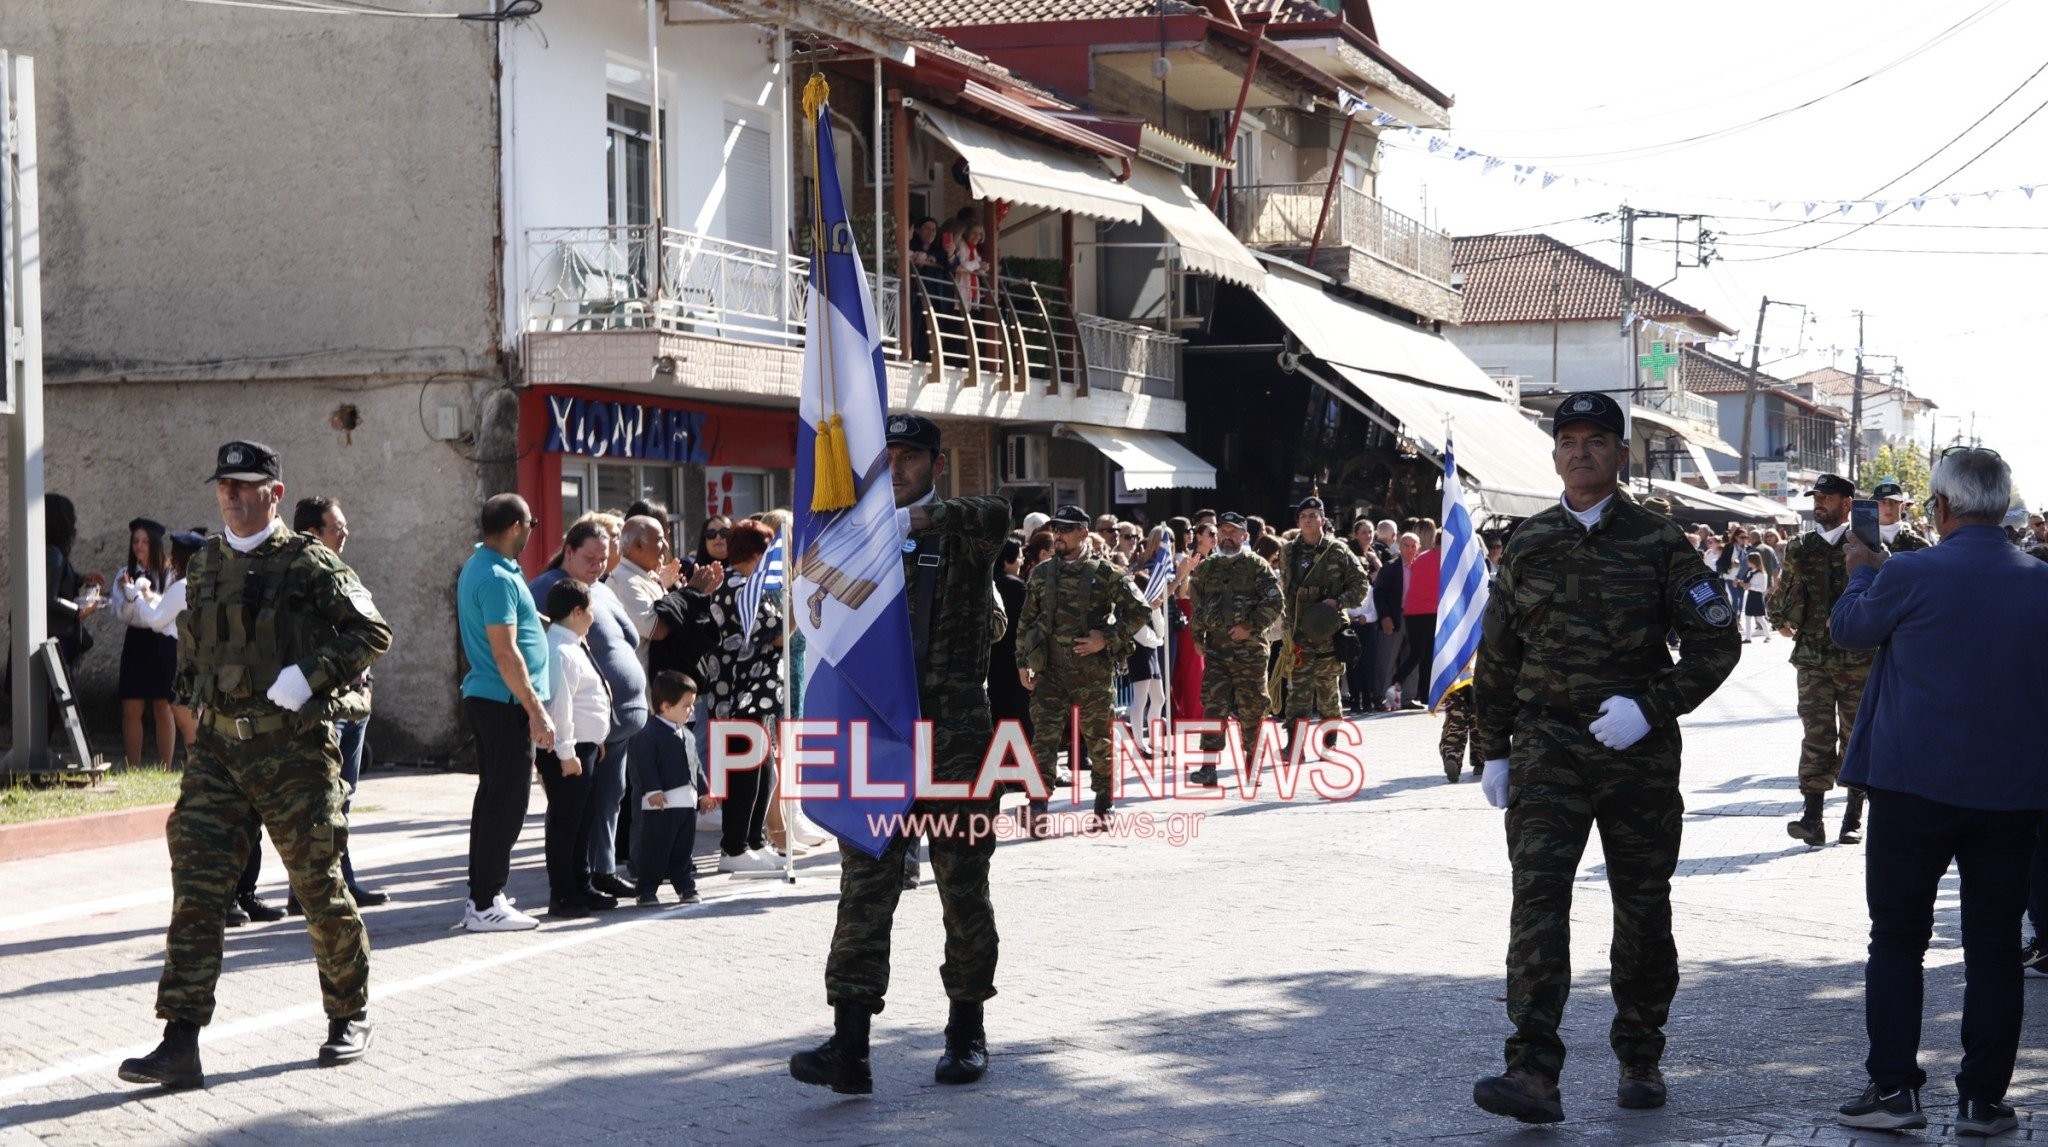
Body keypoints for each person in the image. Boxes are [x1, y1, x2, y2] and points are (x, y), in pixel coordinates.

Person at [1470, 393, 1740, 1124]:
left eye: (1597, 440)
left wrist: (1651, 706)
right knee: (1537, 902)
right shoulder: (1527, 543)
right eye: (1569, 439)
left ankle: (1641, 1053)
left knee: (1643, 904)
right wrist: (1492, 749)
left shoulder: (1661, 542)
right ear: (1554, 452)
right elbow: (1496, 656)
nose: (1581, 451)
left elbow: (1717, 643)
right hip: (1548, 747)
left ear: (1621, 454)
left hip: (1636, 753)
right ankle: (1530, 1069)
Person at [118, 442, 392, 1089]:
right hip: (218, 751)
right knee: (198, 891)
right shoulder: (207, 562)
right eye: (224, 487)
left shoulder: (307, 562)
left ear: (275, 492)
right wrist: (194, 714)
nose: (233, 497)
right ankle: (180, 1038)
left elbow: (369, 630)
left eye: (246, 487)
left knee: (317, 886)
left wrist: (309, 674)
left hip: (291, 749)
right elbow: (193, 645)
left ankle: (348, 1012)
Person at [1825, 447, 2048, 1136]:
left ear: (1941, 508)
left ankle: (1895, 1089)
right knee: (1993, 947)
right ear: (2005, 507)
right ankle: (1983, 1099)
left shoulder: (1910, 571)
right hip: (2011, 793)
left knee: (1896, 938)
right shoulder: (2040, 581)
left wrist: (1861, 574)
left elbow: (1849, 631)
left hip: (1911, 786)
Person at [790, 412, 1012, 1095]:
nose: (896, 466)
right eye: (884, 455)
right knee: (865, 884)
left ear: (935, 465)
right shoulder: (854, 541)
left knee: (960, 885)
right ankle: (850, 1043)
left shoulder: (959, 535)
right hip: (878, 734)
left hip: (955, 742)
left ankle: (966, 1030)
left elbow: (997, 514)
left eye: (911, 456)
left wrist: (913, 522)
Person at [535, 518, 650, 900]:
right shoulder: (548, 589)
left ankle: (600, 872)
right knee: (572, 809)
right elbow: (534, 649)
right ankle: (569, 886)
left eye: (604, 557)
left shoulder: (601, 589)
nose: (599, 564)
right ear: (568, 551)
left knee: (606, 799)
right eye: (590, 557)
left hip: (609, 725)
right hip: (575, 727)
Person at [1017, 503, 1151, 821]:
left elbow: (1140, 611)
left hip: (1093, 672)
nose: (1058, 535)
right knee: (1044, 737)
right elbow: (1026, 620)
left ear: (1083, 533)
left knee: (1099, 738)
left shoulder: (1107, 573)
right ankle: (1038, 803)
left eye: (1065, 529)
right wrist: (1023, 662)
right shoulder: (1042, 573)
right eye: (1056, 529)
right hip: (1050, 671)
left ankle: (1104, 800)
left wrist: (1106, 637)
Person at [456, 493, 553, 933]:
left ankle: (485, 895)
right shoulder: (495, 575)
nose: (532, 532)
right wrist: (537, 711)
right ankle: (485, 902)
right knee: (506, 804)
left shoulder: (488, 566)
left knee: (495, 799)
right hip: (504, 701)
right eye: (530, 524)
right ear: (515, 525)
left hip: (494, 699)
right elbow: (505, 651)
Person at [286, 497, 386, 911]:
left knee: (344, 797)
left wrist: (367, 688)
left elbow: (364, 634)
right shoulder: (300, 578)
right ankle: (311, 889)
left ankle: (339, 880)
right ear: (312, 530)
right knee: (322, 799)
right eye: (336, 527)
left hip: (353, 703)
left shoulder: (340, 572)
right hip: (326, 706)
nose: (344, 533)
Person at [1768, 474, 1873, 846]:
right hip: (1812, 657)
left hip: (1858, 659)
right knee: (1816, 736)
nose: (1819, 503)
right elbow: (1783, 593)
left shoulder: (1865, 545)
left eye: (1827, 497)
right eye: (1817, 497)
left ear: (1847, 503)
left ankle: (1852, 818)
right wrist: (1777, 615)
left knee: (1855, 737)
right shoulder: (1801, 546)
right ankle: (1812, 818)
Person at [703, 519, 786, 875]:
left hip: (757, 693)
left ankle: (753, 841)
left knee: (763, 769)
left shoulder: (750, 585)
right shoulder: (739, 587)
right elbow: (777, 634)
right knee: (745, 770)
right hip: (740, 694)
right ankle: (734, 847)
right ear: (756, 554)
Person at [535, 578, 613, 918]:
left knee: (583, 822)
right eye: (590, 610)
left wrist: (597, 742)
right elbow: (559, 709)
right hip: (569, 752)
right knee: (566, 824)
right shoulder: (561, 651)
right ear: (577, 611)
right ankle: (563, 894)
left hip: (585, 748)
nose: (593, 617)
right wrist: (567, 754)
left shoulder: (573, 645)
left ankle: (581, 885)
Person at [1186, 512, 1281, 788]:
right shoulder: (1207, 567)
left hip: (1249, 651)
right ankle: (1208, 767)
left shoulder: (1257, 566)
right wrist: (1197, 636)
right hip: (1216, 650)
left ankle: (1252, 765)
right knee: (1213, 706)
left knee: (1252, 708)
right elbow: (1198, 604)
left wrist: (1250, 627)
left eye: (1233, 532)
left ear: (1245, 536)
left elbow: (1275, 602)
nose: (1227, 536)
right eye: (1223, 531)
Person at [1274, 497, 1370, 736]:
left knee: (1328, 692)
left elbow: (1361, 584)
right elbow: (1285, 590)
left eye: (1313, 516)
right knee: (1298, 693)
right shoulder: (1288, 552)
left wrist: (1338, 602)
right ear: (1298, 521)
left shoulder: (1337, 550)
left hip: (1328, 632)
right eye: (1303, 516)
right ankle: (1294, 744)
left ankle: (1330, 740)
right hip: (1298, 634)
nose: (1308, 520)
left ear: (1323, 520)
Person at [631, 671, 714, 906]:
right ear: (666, 706)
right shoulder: (648, 735)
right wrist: (653, 791)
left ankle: (686, 887)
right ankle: (646, 890)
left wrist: (704, 792)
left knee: (683, 850)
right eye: (686, 705)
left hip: (686, 805)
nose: (691, 710)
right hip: (661, 805)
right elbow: (645, 766)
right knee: (655, 849)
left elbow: (695, 765)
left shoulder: (686, 734)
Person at [111, 518, 180, 768]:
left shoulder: (170, 573)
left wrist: (147, 597)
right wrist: (130, 596)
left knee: (163, 706)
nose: (139, 547)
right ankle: (134, 767)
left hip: (162, 641)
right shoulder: (124, 574)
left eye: (144, 542)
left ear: (155, 544)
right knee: (131, 705)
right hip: (137, 641)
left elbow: (168, 608)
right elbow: (122, 614)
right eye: (135, 542)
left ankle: (165, 766)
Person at [611, 515, 682, 665]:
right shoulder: (625, 581)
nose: (666, 546)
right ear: (638, 546)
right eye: (659, 540)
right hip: (644, 682)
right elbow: (657, 630)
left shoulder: (644, 575)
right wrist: (689, 595)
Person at [1386, 519, 1440, 712]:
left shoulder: (1422, 557)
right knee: (1428, 655)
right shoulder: (1445, 560)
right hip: (1431, 610)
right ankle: (1425, 694)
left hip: (1412, 611)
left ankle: (1398, 682)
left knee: (1418, 653)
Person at [988, 537, 1032, 744]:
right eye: (1020, 558)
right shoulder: (1016, 587)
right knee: (1019, 717)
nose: (1022, 562)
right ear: (1007, 561)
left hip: (990, 661)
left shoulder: (984, 583)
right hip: (1014, 661)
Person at [1870, 480, 1930, 554]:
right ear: (1873, 506)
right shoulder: (1862, 543)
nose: (1888, 507)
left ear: (1902, 507)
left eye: (1894, 502)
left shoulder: (1921, 546)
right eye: (1883, 502)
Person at [1738, 551, 1771, 643]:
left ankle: (1768, 635)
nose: (1747, 562)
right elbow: (1747, 582)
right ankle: (1748, 638)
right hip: (1750, 596)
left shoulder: (1761, 574)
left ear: (1754, 561)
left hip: (1757, 596)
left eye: (1748, 561)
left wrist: (1750, 586)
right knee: (1748, 616)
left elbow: (1762, 588)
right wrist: (1742, 584)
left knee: (1760, 618)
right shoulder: (1750, 572)